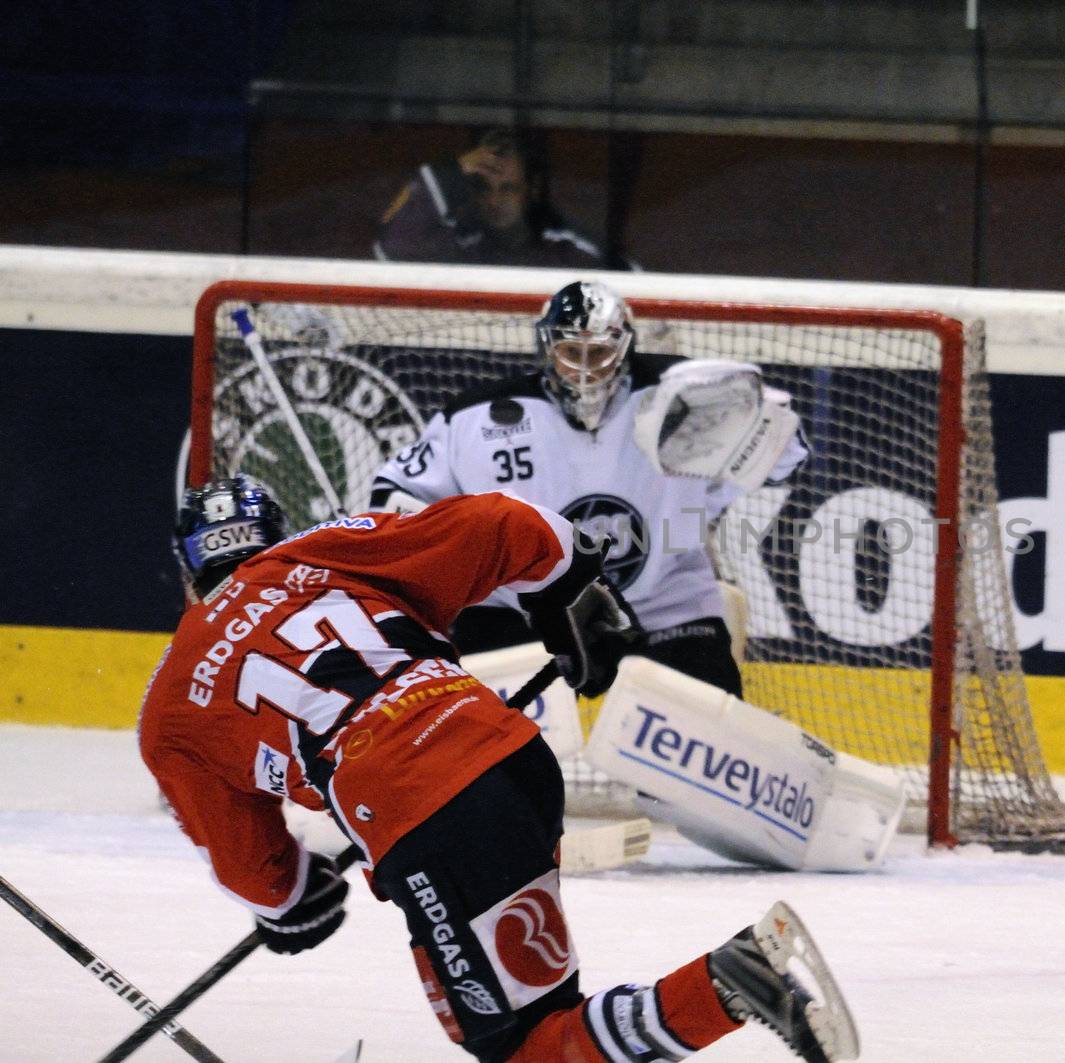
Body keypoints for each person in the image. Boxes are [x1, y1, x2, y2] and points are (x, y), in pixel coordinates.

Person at [139, 477, 858, 1062]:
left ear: (186, 570)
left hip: (422, 813)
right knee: (521, 1018)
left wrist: (294, 897)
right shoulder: (323, 553)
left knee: (523, 1048)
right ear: (277, 533)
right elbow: (503, 521)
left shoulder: (171, 705)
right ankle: (718, 988)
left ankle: (733, 983)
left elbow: (259, 874)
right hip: (511, 758)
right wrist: (568, 587)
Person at [368, 279, 809, 697]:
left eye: (597, 352)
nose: (583, 369)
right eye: (569, 351)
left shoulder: (685, 398)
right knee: (485, 751)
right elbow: (396, 495)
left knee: (703, 743)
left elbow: (783, 455)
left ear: (623, 348)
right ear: (546, 347)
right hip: (519, 610)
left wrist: (766, 424)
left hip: (663, 602)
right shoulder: (475, 417)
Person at [374, 127, 627, 270]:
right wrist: (455, 171)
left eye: (508, 189)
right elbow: (394, 246)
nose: (494, 202)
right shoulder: (462, 244)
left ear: (533, 189)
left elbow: (632, 288)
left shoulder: (571, 252)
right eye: (484, 188)